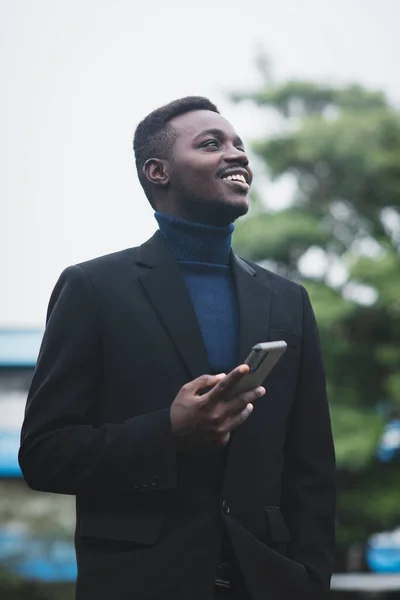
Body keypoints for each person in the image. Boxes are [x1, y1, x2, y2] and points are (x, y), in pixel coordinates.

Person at [19, 96, 336, 600]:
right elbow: (43, 455)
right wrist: (168, 433)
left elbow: (312, 467)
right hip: (138, 583)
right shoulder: (93, 288)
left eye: (239, 145)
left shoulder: (288, 300)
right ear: (158, 171)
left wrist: (311, 579)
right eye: (212, 144)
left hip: (270, 583)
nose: (237, 155)